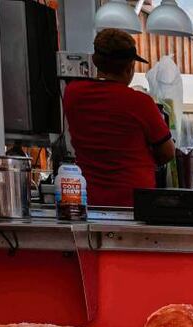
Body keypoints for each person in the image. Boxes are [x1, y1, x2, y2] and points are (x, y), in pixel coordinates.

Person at [62, 29, 175, 207]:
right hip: (134, 201)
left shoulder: (72, 93)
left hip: (88, 200)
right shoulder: (140, 102)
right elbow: (168, 152)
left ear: (94, 60)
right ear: (130, 67)